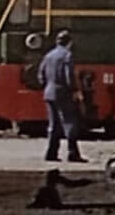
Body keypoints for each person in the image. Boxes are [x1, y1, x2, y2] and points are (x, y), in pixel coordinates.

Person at [37, 30, 87, 163]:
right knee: (69, 122)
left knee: (53, 124)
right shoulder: (67, 55)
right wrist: (74, 90)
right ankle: (72, 153)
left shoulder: (49, 55)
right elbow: (68, 76)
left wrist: (46, 86)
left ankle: (51, 153)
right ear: (69, 43)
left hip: (49, 93)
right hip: (63, 93)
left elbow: (41, 74)